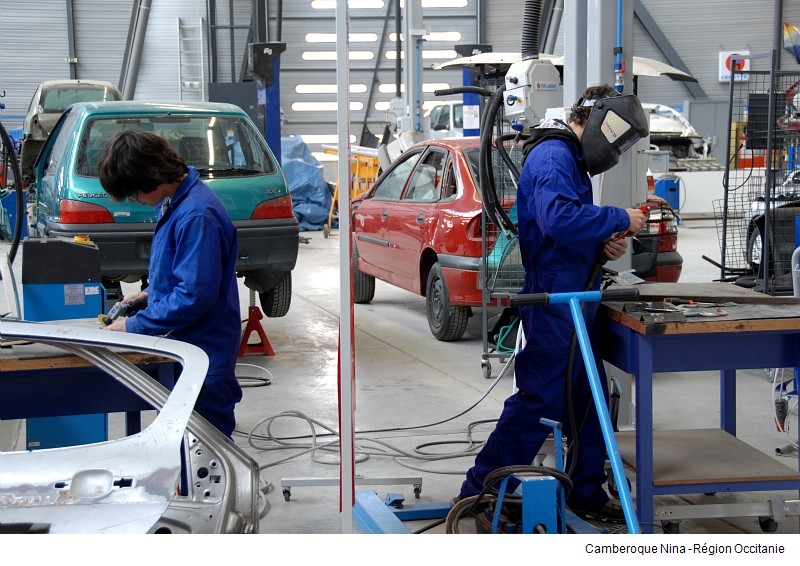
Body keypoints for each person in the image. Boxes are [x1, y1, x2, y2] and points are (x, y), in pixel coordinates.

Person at [458, 84, 649, 524]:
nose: (615, 149)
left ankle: (584, 491)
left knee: (588, 400)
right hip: (555, 302)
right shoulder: (553, 156)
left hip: (576, 298)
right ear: (593, 118)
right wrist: (620, 216)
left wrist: (602, 245)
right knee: (539, 400)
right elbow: (557, 219)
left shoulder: (569, 158)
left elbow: (566, 232)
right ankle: (482, 492)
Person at [97, 129, 243, 439]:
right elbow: (186, 273)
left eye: (134, 192)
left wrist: (134, 326)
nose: (134, 200)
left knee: (204, 446)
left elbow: (194, 295)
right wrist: (149, 294)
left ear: (152, 174)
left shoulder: (196, 215)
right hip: (187, 345)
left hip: (204, 351)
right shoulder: (175, 203)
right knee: (183, 442)